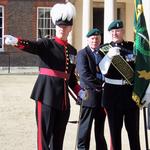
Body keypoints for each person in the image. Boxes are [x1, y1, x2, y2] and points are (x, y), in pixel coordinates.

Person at [4, 2, 87, 150]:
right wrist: (17, 42)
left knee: (58, 140)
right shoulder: (46, 44)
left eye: (66, 26)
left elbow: (70, 78)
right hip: (46, 95)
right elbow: (32, 46)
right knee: (44, 137)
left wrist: (79, 90)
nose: (62, 29)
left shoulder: (73, 50)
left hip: (63, 101)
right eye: (60, 26)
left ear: (70, 28)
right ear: (56, 26)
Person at [99, 20, 141, 150]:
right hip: (112, 95)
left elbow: (140, 70)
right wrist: (109, 57)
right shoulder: (104, 49)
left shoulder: (132, 47)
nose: (115, 33)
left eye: (117, 31)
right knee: (115, 133)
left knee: (133, 132)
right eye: (112, 31)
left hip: (130, 94)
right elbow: (102, 70)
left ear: (123, 31)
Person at [76, 28, 108, 150]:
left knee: (100, 131)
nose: (95, 40)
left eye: (97, 38)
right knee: (85, 129)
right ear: (88, 39)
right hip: (89, 97)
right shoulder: (82, 54)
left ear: (100, 40)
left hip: (102, 98)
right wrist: (102, 84)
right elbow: (84, 75)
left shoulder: (103, 53)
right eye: (93, 38)